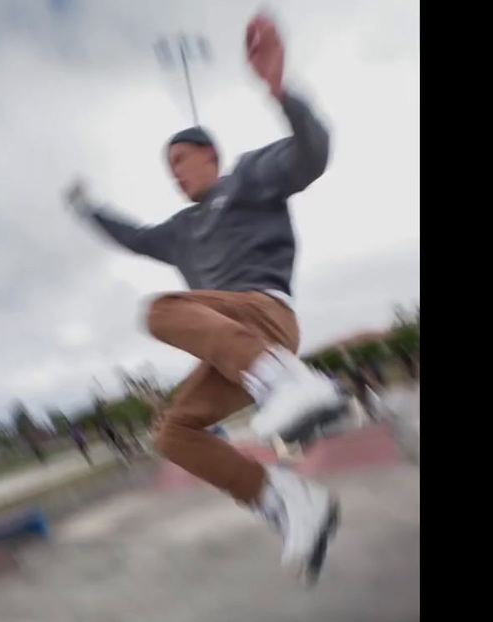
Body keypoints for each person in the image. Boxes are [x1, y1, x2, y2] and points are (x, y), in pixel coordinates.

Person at [66, 12, 343, 584]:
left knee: (161, 311)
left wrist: (280, 90)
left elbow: (311, 156)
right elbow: (134, 236)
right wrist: (89, 211)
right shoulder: (178, 231)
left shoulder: (248, 176)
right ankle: (285, 500)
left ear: (208, 155)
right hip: (231, 349)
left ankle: (290, 383)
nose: (174, 175)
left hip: (265, 314)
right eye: (167, 169)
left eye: (180, 161)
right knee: (172, 432)